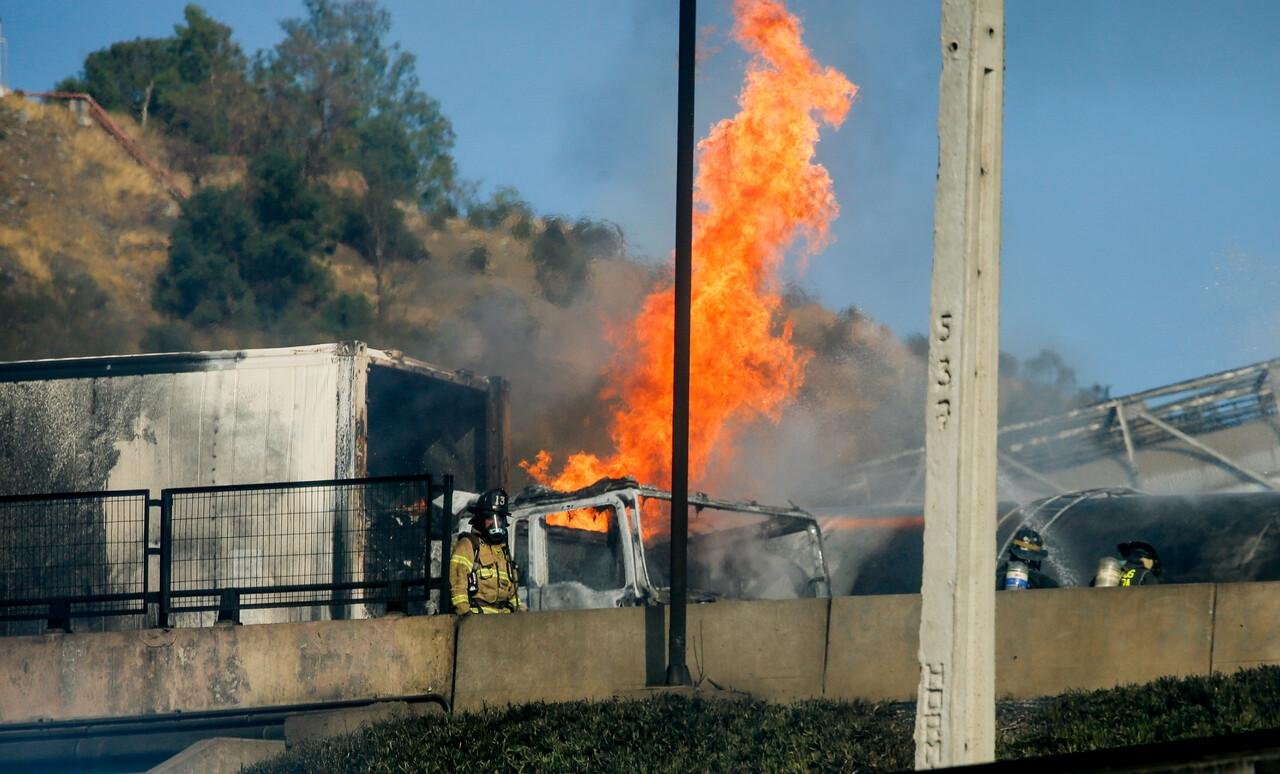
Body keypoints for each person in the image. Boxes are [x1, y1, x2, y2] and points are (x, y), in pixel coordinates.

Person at [449, 488, 522, 614]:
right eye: (490, 519)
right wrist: (467, 616)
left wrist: (521, 613)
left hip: (504, 622)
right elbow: (457, 587)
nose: (496, 524)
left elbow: (512, 594)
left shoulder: (502, 552)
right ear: (480, 519)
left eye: (499, 519)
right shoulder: (468, 546)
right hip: (479, 622)